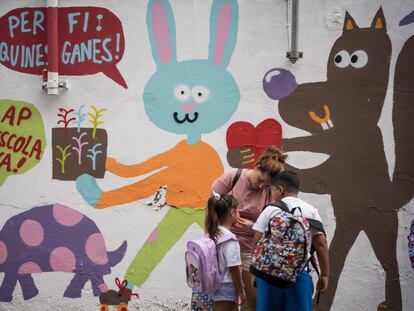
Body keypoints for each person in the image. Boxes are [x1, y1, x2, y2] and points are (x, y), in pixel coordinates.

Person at [211, 146, 287, 310]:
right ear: (257, 166)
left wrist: (254, 227)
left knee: (253, 298)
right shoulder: (234, 177)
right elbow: (211, 207)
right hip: (223, 247)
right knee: (226, 298)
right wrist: (224, 226)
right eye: (260, 180)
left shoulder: (268, 192)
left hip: (248, 250)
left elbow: (274, 225)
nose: (260, 187)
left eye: (266, 185)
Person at [251, 171, 329, 311]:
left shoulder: (270, 210)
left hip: (269, 275)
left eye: (272, 191)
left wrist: (255, 271)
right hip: (299, 275)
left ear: (280, 189)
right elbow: (321, 243)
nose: (271, 194)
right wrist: (324, 274)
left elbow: (256, 240)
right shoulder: (311, 211)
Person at [205, 192, 246, 310]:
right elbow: (234, 268)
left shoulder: (211, 233)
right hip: (225, 287)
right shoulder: (230, 239)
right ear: (233, 212)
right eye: (238, 210)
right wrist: (241, 291)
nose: (239, 213)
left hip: (210, 284)